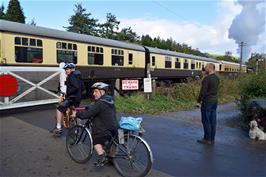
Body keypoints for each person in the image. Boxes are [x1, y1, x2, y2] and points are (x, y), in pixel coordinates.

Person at [72, 82, 119, 166]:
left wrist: (77, 114)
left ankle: (102, 157)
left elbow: (88, 114)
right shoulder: (110, 101)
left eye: (96, 91)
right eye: (94, 92)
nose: (94, 94)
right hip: (114, 127)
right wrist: (89, 107)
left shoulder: (100, 103)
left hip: (104, 129)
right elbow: (95, 108)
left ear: (102, 92)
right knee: (111, 141)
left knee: (96, 141)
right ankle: (111, 158)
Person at [51, 62, 82, 136]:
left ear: (71, 69)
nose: (66, 71)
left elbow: (75, 87)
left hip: (72, 98)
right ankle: (76, 129)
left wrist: (68, 93)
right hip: (77, 98)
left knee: (59, 108)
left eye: (67, 69)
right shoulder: (78, 76)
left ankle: (58, 128)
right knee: (74, 111)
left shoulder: (72, 76)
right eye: (65, 69)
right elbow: (82, 88)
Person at [197, 63, 220, 145]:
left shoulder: (207, 79)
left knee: (206, 120)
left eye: (206, 67)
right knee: (212, 121)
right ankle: (212, 138)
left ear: (210, 68)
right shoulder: (217, 78)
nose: (204, 68)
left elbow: (203, 91)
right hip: (214, 101)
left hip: (207, 102)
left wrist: (199, 101)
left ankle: (207, 139)